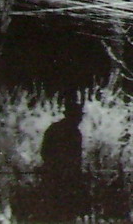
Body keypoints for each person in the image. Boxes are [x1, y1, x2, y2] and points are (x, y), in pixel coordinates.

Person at [37, 93, 86, 222]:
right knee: (65, 211)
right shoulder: (72, 132)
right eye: (78, 116)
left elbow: (45, 151)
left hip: (57, 176)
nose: (80, 119)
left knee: (58, 211)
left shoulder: (56, 129)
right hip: (63, 177)